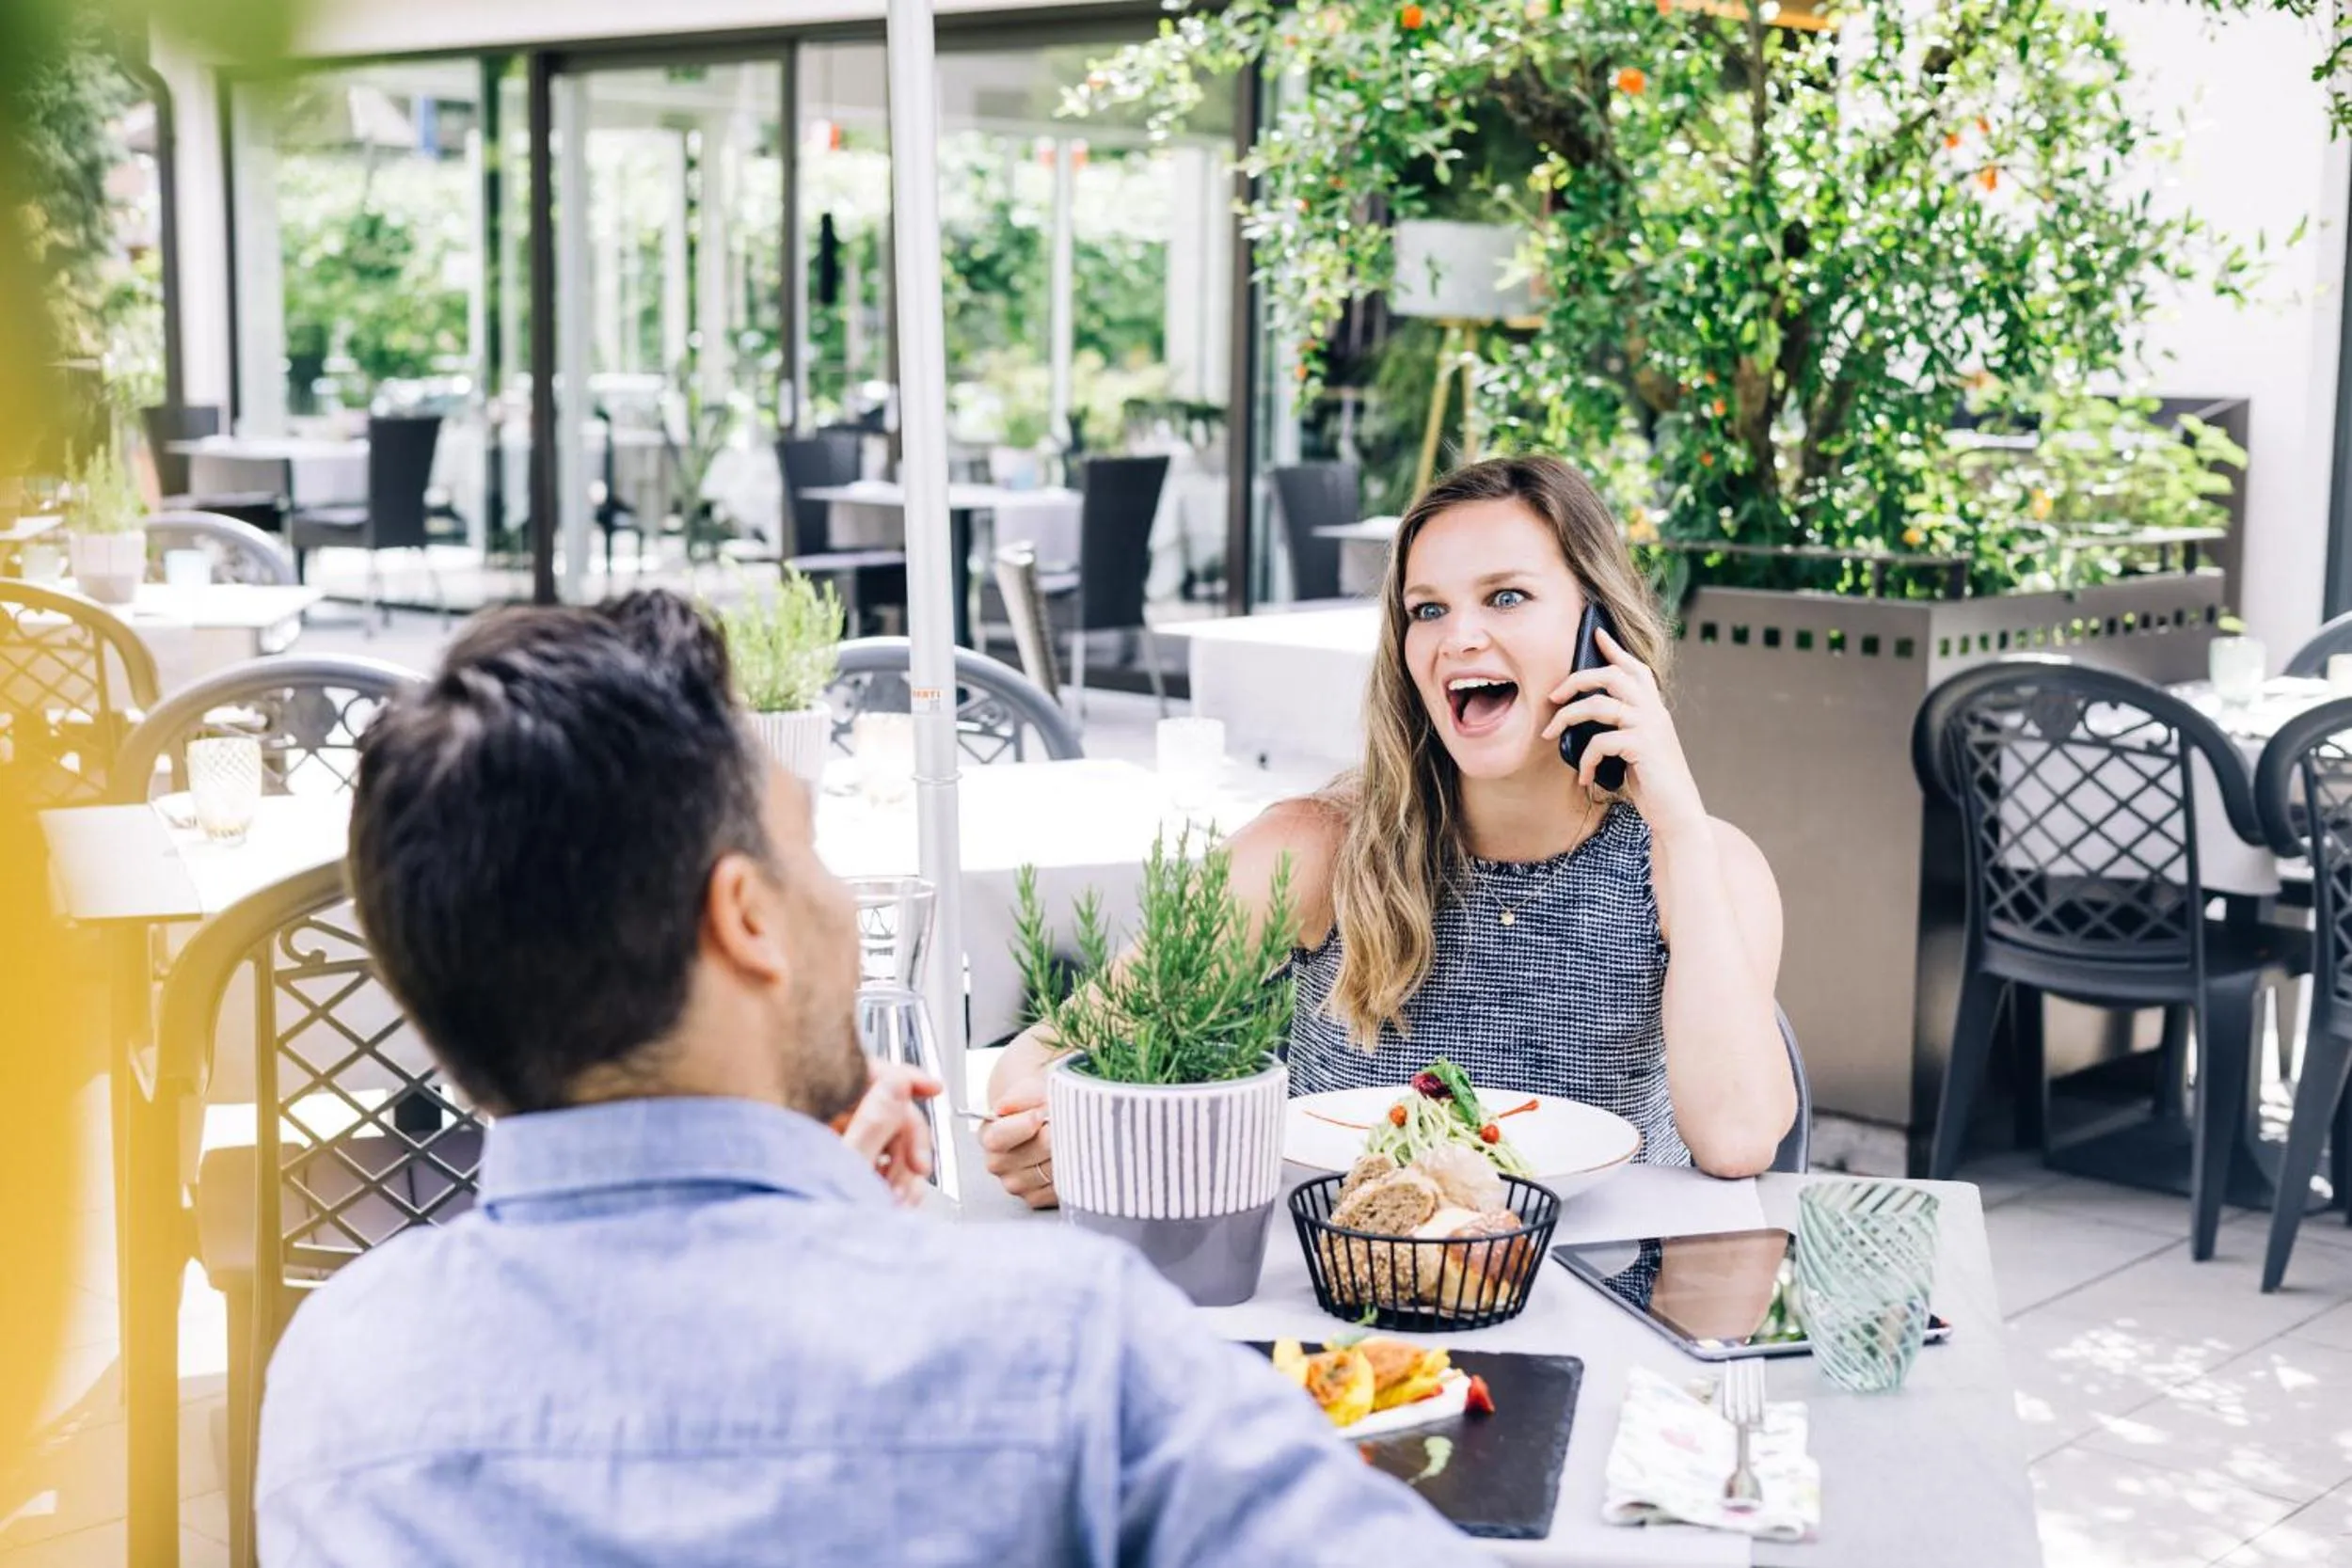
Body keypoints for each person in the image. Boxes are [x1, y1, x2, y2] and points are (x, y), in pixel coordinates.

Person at [256, 591, 1485, 1566]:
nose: (842, 900)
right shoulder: (1058, 1346)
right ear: (747, 916)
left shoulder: (340, 1377)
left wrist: (821, 1212)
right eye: (813, 845)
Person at [986, 455, 1794, 1204]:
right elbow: (1037, 1061)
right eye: (1427, 609)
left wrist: (1678, 824)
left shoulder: (1704, 864)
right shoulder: (1314, 849)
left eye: (1506, 596)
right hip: (1358, 1296)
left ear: (1600, 628)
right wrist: (1056, 1139)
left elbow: (1738, 1139)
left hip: (1610, 1292)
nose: (1458, 637)